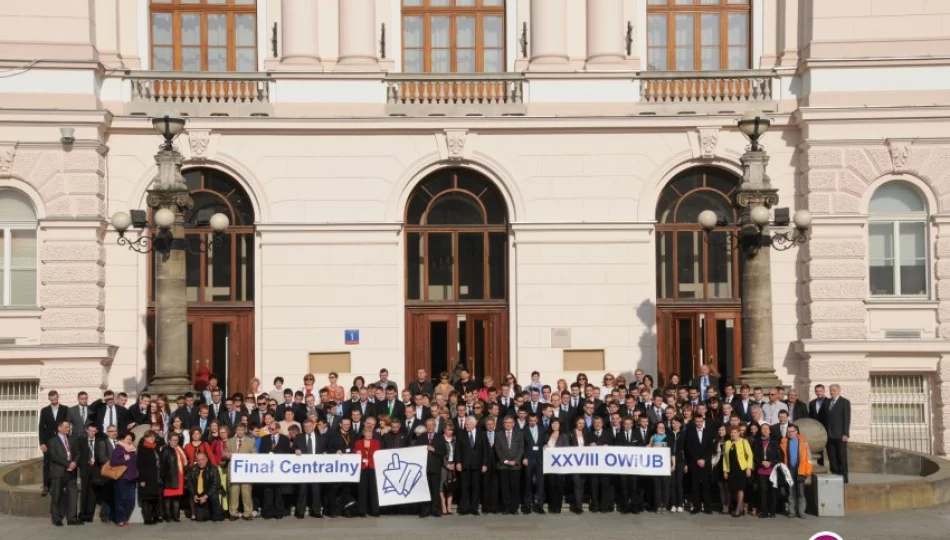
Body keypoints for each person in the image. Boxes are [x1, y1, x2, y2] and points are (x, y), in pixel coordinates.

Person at [47, 420, 80, 526]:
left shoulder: (72, 439)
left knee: (73, 495)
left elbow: (78, 453)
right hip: (58, 472)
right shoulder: (52, 441)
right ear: (59, 428)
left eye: (69, 427)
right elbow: (53, 456)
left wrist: (74, 462)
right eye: (66, 427)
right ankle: (56, 518)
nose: (68, 429)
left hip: (71, 472)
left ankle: (72, 518)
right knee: (56, 496)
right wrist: (68, 464)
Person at [39, 390, 69, 497]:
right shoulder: (45, 410)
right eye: (51, 400)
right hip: (48, 441)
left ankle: (64, 485)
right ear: (49, 399)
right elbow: (41, 428)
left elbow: (67, 425)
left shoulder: (65, 409)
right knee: (47, 463)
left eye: (55, 399)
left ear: (58, 397)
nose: (54, 401)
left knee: (63, 461)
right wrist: (42, 443)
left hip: (61, 439)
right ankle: (46, 485)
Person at [455, 415, 486, 515]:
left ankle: (474, 508)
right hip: (465, 465)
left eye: (468, 424)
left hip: (477, 465)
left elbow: (485, 451)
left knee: (475, 488)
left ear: (474, 424)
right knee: (465, 487)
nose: (466, 426)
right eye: (465, 424)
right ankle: (464, 508)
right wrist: (458, 462)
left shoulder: (481, 434)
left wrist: (485, 464)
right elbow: (458, 450)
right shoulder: (461, 434)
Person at [258, 424, 291, 519]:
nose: (270, 430)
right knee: (268, 490)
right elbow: (261, 453)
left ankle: (278, 511)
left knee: (278, 490)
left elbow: (287, 453)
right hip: (268, 469)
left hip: (280, 469)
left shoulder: (284, 439)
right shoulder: (264, 439)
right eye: (269, 429)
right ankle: (268, 512)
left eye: (272, 429)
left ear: (278, 429)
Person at [292, 419, 323, 519]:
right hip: (303, 468)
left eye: (309, 426)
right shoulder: (299, 437)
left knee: (316, 490)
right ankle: (300, 512)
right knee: (302, 490)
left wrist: (326, 453)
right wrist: (296, 449)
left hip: (316, 468)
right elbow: (293, 448)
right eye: (305, 427)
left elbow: (325, 448)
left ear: (314, 426)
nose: (307, 428)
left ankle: (316, 511)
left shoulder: (320, 437)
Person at [416, 417, 446, 518]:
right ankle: (425, 510)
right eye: (427, 425)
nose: (429, 427)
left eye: (431, 425)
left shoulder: (440, 437)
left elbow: (444, 451)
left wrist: (434, 450)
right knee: (424, 490)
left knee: (435, 489)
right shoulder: (421, 437)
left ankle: (435, 509)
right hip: (424, 468)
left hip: (435, 467)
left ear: (435, 426)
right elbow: (416, 451)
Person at [685, 413, 715, 514]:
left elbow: (710, 447)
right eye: (697, 422)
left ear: (703, 421)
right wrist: (697, 459)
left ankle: (707, 507)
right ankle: (696, 506)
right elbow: (689, 448)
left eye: (700, 421)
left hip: (705, 462)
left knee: (706, 485)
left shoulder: (708, 432)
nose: (698, 423)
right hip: (694, 462)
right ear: (694, 422)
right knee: (695, 485)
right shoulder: (691, 432)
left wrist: (705, 459)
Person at [781, 424, 812, 518]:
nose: (790, 433)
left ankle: (801, 512)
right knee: (791, 492)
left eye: (792, 431)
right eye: (788, 431)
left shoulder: (803, 442)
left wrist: (808, 471)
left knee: (801, 492)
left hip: (800, 470)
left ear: (797, 432)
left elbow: (809, 458)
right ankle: (792, 512)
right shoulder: (784, 441)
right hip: (789, 469)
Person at [495, 415, 524, 515]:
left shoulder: (519, 434)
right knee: (505, 487)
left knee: (515, 487)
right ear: (503, 424)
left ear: (513, 424)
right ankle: (506, 507)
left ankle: (514, 508)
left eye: (510, 422)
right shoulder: (498, 434)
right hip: (503, 466)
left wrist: (515, 461)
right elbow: (498, 449)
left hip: (515, 466)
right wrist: (506, 461)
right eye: (506, 423)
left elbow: (521, 449)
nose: (508, 424)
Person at [110, 432, 138, 528]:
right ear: (122, 439)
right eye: (128, 439)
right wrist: (124, 459)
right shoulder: (118, 449)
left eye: (131, 439)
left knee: (131, 500)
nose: (129, 441)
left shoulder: (132, 449)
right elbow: (113, 462)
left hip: (132, 478)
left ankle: (125, 518)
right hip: (121, 478)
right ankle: (120, 520)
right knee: (120, 499)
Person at [723, 426, 753, 518]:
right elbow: (725, 457)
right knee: (732, 488)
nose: (733, 434)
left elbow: (750, 455)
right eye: (731, 432)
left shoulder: (744, 441)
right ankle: (733, 506)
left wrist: (748, 468)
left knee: (740, 488)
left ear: (739, 433)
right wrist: (725, 470)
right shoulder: (727, 443)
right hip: (731, 469)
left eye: (735, 432)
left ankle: (738, 509)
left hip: (741, 468)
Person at [753, 423, 782, 518]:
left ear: (770, 431)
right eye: (763, 429)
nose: (765, 430)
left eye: (766, 429)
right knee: (763, 491)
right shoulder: (757, 441)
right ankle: (764, 511)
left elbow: (779, 457)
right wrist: (761, 462)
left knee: (773, 491)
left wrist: (771, 462)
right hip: (761, 470)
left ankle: (772, 511)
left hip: (772, 470)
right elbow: (754, 456)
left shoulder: (775, 442)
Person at [136, 430, 163, 525]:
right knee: (147, 499)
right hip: (146, 477)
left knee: (155, 498)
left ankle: (155, 516)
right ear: (145, 438)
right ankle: (147, 518)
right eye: (150, 437)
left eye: (153, 437)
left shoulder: (155, 447)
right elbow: (140, 465)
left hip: (156, 476)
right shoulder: (142, 448)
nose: (152, 438)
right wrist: (142, 479)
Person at [187, 452, 223, 522]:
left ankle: (216, 514)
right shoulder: (193, 469)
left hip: (209, 493)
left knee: (214, 495)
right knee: (200, 519)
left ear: (206, 459)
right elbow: (189, 483)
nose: (200, 462)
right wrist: (194, 494)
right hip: (199, 494)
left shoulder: (213, 469)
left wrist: (206, 496)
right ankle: (207, 512)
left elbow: (216, 484)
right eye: (198, 460)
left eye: (202, 459)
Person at [826, 384, 851, 483]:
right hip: (829, 435)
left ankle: (844, 476)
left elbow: (846, 419)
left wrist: (845, 433)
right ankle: (835, 474)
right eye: (831, 390)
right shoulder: (828, 402)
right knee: (832, 456)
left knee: (841, 456)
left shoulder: (844, 402)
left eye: (834, 390)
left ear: (839, 391)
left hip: (840, 435)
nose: (832, 392)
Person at [354, 425, 381, 517]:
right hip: (362, 468)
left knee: (373, 489)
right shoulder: (358, 443)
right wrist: (356, 453)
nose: (369, 434)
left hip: (373, 467)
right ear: (363, 433)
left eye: (370, 432)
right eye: (367, 432)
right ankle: (362, 511)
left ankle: (375, 510)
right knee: (362, 489)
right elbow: (354, 453)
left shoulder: (376, 442)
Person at [543, 418, 568, 514]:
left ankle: (558, 506)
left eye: (556, 423)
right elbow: (544, 445)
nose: (554, 425)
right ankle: (552, 506)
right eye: (553, 423)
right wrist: (544, 446)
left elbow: (566, 449)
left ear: (559, 425)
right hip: (549, 464)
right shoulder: (547, 435)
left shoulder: (563, 436)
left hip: (560, 464)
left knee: (559, 485)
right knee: (551, 485)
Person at [161, 432, 187, 522]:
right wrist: (162, 478)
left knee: (176, 498)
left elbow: (184, 463)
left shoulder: (180, 449)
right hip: (170, 477)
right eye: (173, 440)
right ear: (169, 440)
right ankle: (168, 516)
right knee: (168, 498)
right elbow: (163, 465)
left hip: (179, 476)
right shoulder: (166, 450)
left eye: (177, 440)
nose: (175, 441)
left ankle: (176, 516)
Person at [648, 421, 673, 514]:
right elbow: (648, 449)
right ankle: (658, 506)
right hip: (655, 466)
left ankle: (665, 506)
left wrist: (672, 464)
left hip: (666, 465)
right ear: (656, 428)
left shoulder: (669, 437)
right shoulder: (653, 437)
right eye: (659, 427)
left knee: (666, 486)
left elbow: (672, 452)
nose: (661, 429)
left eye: (663, 427)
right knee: (657, 487)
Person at [711, 424, 728, 514]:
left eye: (723, 430)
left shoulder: (729, 441)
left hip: (726, 464)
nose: (721, 432)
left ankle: (728, 505)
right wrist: (712, 464)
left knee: (727, 486)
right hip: (718, 464)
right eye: (719, 430)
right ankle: (723, 505)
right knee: (721, 487)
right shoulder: (715, 441)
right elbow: (713, 455)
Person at [440, 423, 457, 515]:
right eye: (448, 430)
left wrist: (454, 463)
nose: (450, 432)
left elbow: (457, 452)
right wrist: (446, 465)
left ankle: (449, 507)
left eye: (451, 430)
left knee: (451, 486)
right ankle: (443, 507)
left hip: (452, 465)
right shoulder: (440, 440)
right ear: (444, 430)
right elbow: (440, 454)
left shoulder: (455, 440)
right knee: (442, 486)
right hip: (443, 466)